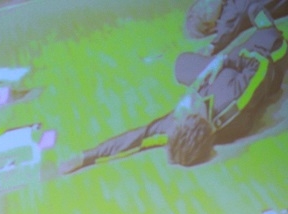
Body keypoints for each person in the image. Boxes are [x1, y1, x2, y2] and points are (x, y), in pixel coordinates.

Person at [61, 6, 287, 172]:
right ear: (197, 119)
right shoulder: (234, 100)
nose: (178, 108)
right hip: (260, 60)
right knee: (263, 25)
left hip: (220, 78)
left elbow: (137, 137)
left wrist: (86, 157)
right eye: (183, 111)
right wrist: (223, 61)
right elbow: (262, 64)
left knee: (181, 65)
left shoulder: (180, 125)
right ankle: (266, 25)